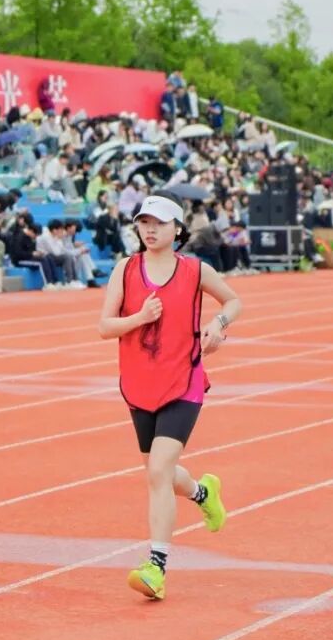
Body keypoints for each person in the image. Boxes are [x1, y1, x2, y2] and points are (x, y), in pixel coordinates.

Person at [97, 190, 242, 600]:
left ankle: (155, 568)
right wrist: (139, 318)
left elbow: (233, 300)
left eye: (159, 223)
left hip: (184, 381)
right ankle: (203, 492)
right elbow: (105, 327)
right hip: (139, 384)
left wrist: (218, 324)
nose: (150, 229)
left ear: (177, 229)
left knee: (159, 470)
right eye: (144, 222)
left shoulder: (195, 271)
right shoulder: (125, 269)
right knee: (158, 472)